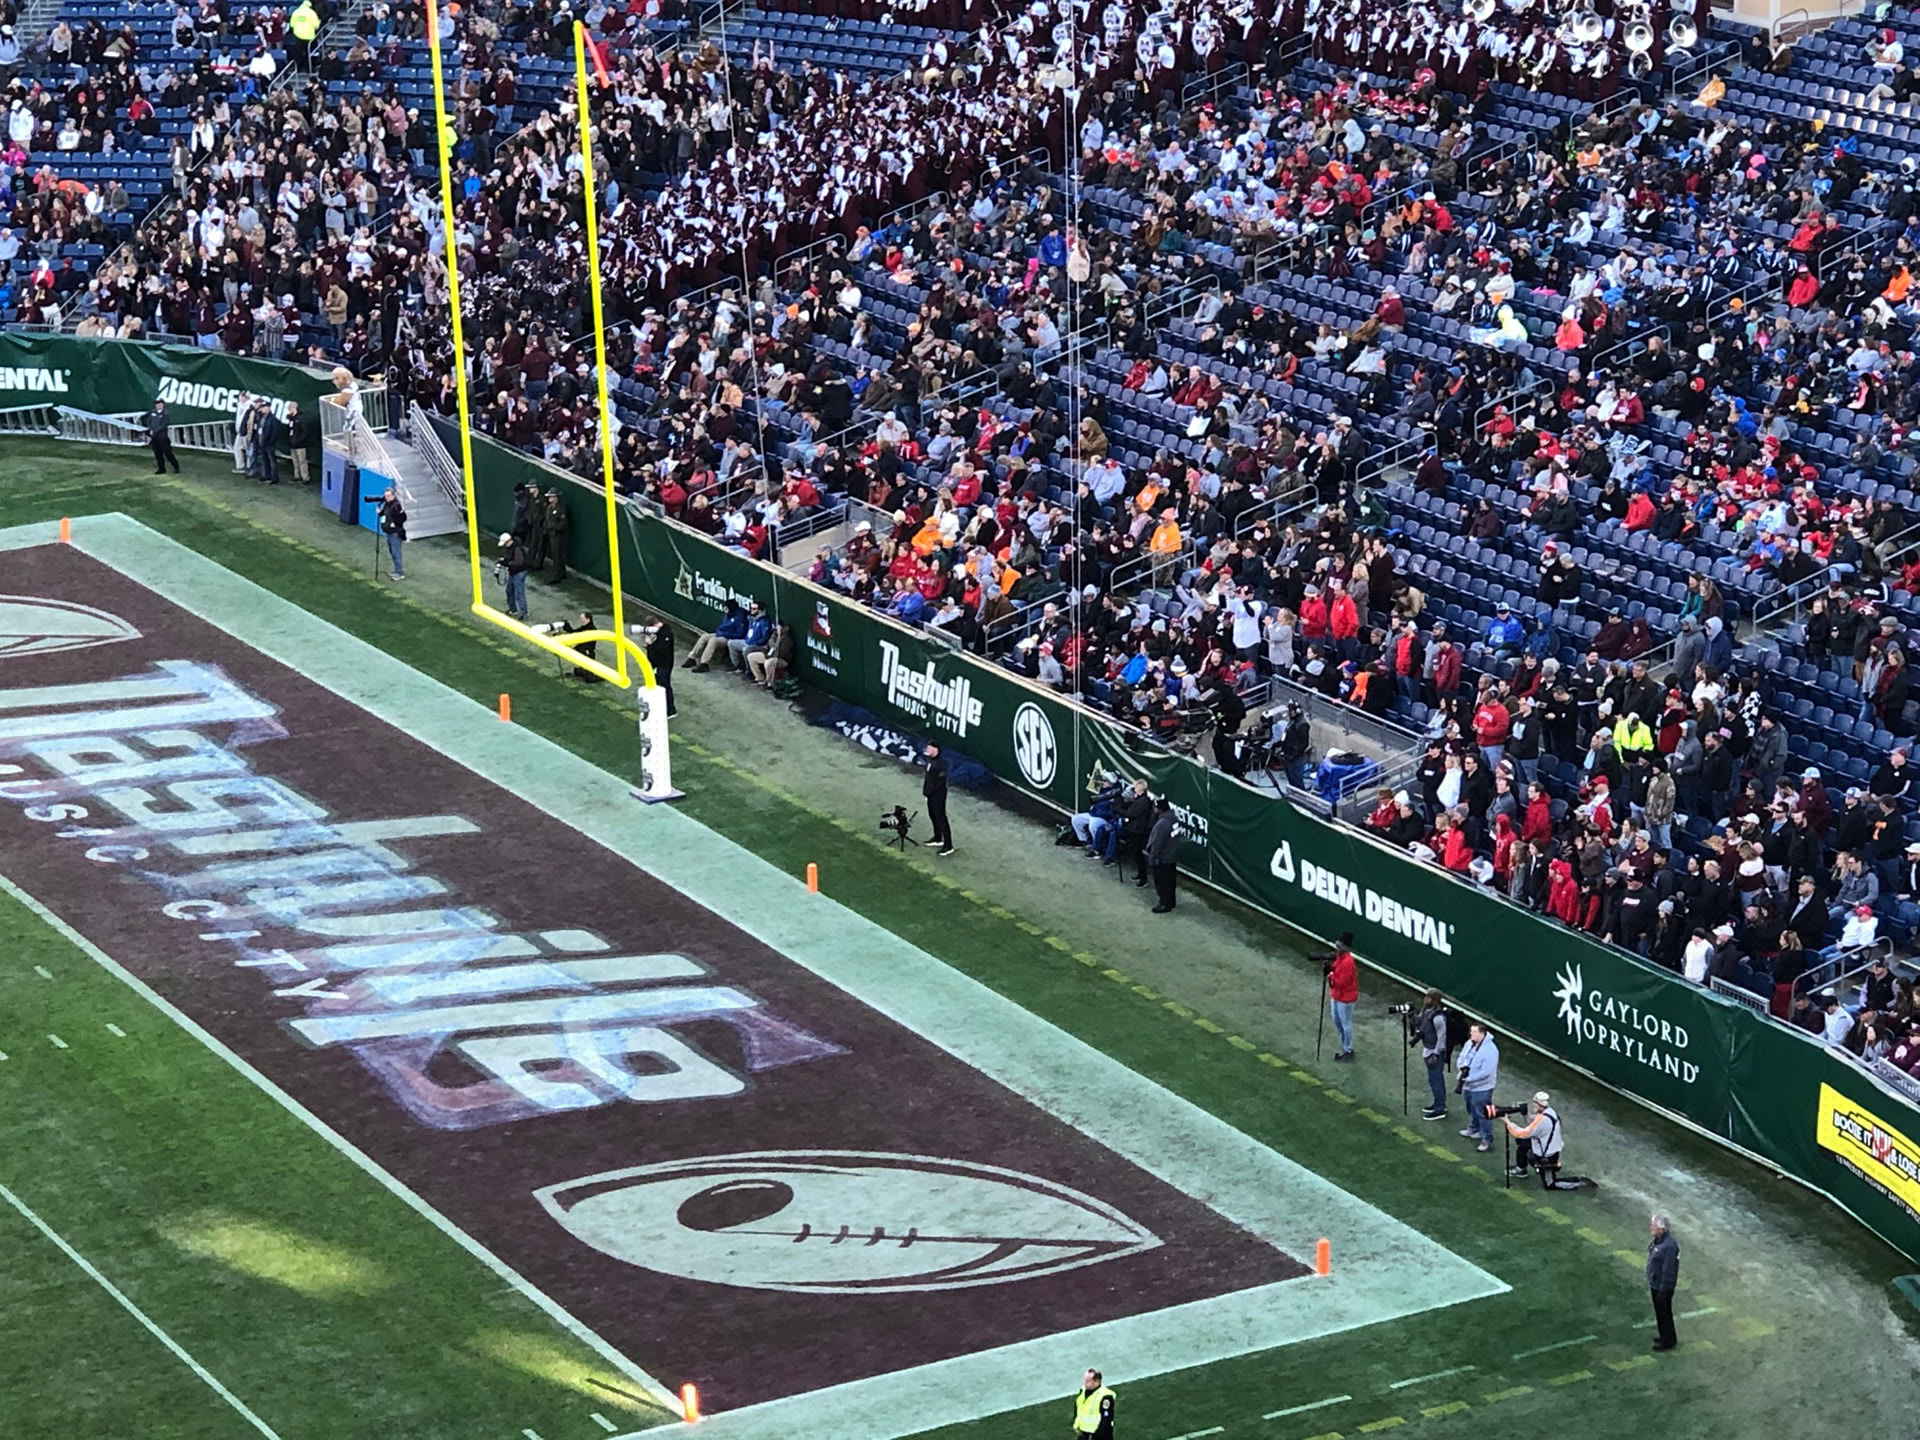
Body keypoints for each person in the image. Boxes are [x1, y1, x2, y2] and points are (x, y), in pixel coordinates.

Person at [1500, 1091, 1565, 1185]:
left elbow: (1522, 1133)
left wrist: (1508, 1122)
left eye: (1535, 1103)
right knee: (1522, 1142)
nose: (1533, 1104)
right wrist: (1525, 1114)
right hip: (1550, 1148)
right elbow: (1534, 1123)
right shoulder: (1549, 1112)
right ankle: (1522, 1168)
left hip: (1546, 1155)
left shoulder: (1543, 1120)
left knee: (1550, 1184)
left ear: (1540, 1104)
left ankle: (1579, 1182)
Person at [1458, 1022, 1500, 1152]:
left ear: (1482, 1033)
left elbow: (1486, 1072)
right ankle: (1474, 1128)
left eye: (1474, 1032)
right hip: (1467, 1084)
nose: (1472, 1034)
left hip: (1482, 1087)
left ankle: (1487, 1139)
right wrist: (1461, 1068)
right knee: (1470, 1107)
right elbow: (1462, 1057)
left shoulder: (1491, 1050)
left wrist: (1469, 1078)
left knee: (1483, 1113)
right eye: (1471, 1031)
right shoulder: (1469, 1043)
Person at [1647, 1213, 1680, 1352]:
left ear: (1661, 1229)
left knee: (1665, 1313)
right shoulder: (1659, 1241)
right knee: (1660, 1312)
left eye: (1653, 1226)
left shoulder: (1669, 1246)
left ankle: (1668, 1341)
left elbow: (1668, 1270)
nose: (1651, 1228)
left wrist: (1663, 1289)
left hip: (1663, 1287)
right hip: (1656, 1284)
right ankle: (1664, 1336)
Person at [1415, 989, 1449, 1119]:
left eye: (1428, 997)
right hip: (1428, 1049)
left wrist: (1435, 1054)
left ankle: (1440, 1109)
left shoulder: (1438, 1018)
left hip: (1435, 1053)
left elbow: (1441, 1037)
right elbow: (1419, 1022)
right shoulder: (1425, 1010)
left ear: (1434, 1000)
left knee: (1436, 1080)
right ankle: (1438, 1104)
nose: (1425, 999)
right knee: (1433, 1080)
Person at [1324, 932, 1358, 1061]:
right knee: (1337, 1020)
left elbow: (1341, 982)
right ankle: (1345, 1046)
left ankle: (1348, 1050)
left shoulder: (1348, 962)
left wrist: (1330, 973)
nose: (1336, 948)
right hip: (1337, 995)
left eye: (1339, 946)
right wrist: (1330, 968)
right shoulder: (1340, 957)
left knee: (1345, 1023)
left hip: (1346, 998)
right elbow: (1335, 968)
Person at [1146, 798, 1180, 913]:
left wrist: (1152, 859)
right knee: (1171, 880)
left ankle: (1165, 904)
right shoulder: (1174, 818)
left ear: (1160, 809)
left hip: (1162, 858)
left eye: (1155, 807)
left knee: (1162, 882)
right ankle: (1171, 901)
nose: (1154, 809)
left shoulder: (1162, 824)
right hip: (1172, 856)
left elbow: (1157, 843)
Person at [924, 742, 953, 856]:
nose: (927, 749)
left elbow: (940, 782)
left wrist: (930, 791)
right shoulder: (929, 760)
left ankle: (948, 845)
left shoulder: (941, 764)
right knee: (932, 815)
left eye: (929, 748)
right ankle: (937, 838)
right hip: (930, 794)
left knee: (941, 818)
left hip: (938, 795)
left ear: (935, 750)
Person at [1072, 1367, 1115, 1439]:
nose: (1085, 1383)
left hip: (1098, 1435)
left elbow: (1106, 1420)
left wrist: (1096, 1436)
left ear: (1097, 1381)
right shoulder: (1083, 1390)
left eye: (1088, 1381)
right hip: (1083, 1433)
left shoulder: (1105, 1396)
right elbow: (1079, 1407)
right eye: (1085, 1380)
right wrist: (1076, 1424)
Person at [496, 531, 530, 621]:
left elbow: (519, 562)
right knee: (509, 591)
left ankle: (523, 613)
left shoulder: (517, 549)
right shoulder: (512, 547)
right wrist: (504, 561)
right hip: (513, 572)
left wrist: (507, 563)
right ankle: (513, 609)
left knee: (519, 594)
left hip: (519, 573)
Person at [378, 487, 407, 580]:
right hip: (389, 532)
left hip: (395, 533)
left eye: (388, 496)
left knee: (396, 552)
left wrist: (395, 523)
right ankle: (396, 570)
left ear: (393, 495)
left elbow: (403, 517)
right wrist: (380, 513)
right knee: (392, 552)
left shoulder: (396, 506)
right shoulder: (387, 505)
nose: (386, 498)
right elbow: (384, 514)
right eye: (386, 496)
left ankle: (399, 573)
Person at [144, 399, 179, 474]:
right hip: (154, 437)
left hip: (163, 437)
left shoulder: (165, 414)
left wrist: (155, 430)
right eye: (157, 404)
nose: (158, 405)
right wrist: (150, 429)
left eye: (160, 404)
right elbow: (148, 421)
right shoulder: (153, 412)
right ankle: (161, 468)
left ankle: (176, 466)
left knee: (168, 453)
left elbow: (164, 425)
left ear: (163, 405)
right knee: (157, 453)